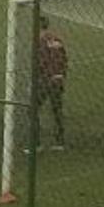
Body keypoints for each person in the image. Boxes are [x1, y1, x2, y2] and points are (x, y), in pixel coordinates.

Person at [35, 15, 69, 150]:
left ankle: (36, 143)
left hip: (46, 79)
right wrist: (61, 75)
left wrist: (39, 77)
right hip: (58, 79)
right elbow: (64, 58)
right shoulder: (56, 39)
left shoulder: (40, 41)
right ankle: (59, 142)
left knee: (32, 109)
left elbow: (41, 61)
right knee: (57, 109)